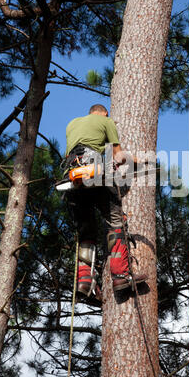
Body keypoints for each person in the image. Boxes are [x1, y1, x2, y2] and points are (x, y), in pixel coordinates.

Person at [63, 104, 147, 303]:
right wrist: (140, 161)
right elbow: (118, 156)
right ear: (105, 113)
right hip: (92, 168)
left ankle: (84, 280)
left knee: (86, 232)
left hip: (72, 175)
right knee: (116, 222)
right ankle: (121, 277)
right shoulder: (106, 121)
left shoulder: (72, 124)